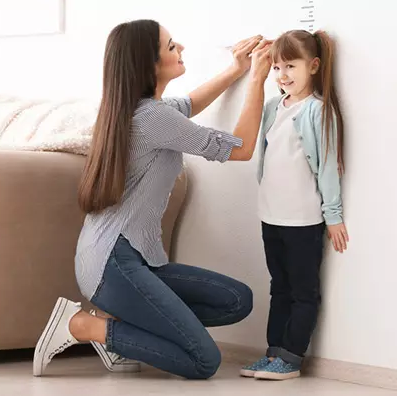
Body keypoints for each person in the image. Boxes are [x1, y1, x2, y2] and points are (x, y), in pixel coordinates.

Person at [32, 19, 273, 379]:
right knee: (203, 361)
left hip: (125, 257)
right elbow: (241, 149)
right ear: (149, 63)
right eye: (172, 45)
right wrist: (257, 79)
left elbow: (191, 103)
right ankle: (84, 327)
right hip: (113, 264)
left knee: (237, 300)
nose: (182, 49)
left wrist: (235, 69)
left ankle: (118, 325)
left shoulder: (137, 109)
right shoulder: (152, 118)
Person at [239, 29, 349, 381]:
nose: (283, 74)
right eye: (277, 67)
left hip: (302, 220)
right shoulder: (274, 108)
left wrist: (333, 216)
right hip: (270, 216)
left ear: (313, 66)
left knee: (303, 292)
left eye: (291, 65)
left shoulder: (317, 111)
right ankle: (273, 353)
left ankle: (291, 356)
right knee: (279, 288)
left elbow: (328, 167)